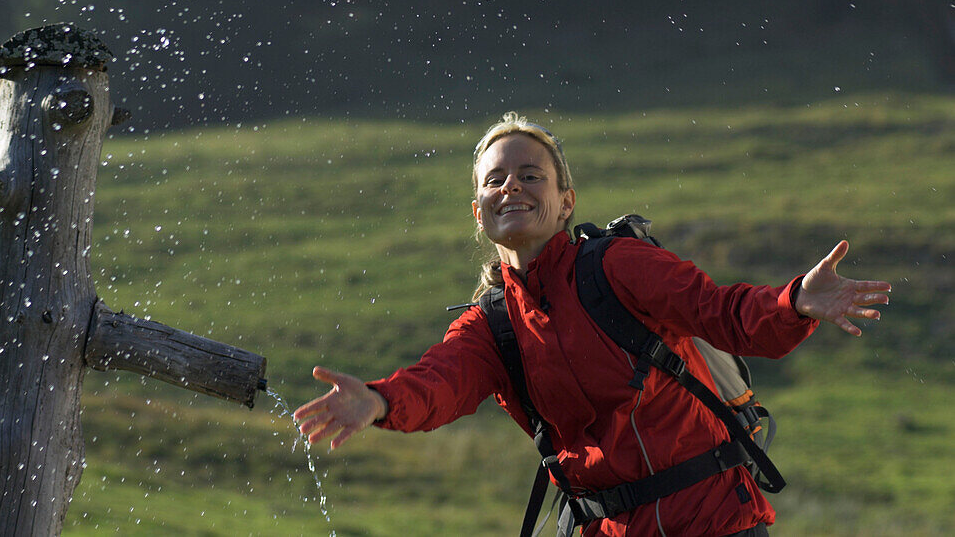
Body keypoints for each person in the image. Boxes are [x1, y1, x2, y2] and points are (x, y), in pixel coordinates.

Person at [293, 113, 891, 536]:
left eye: (531, 175)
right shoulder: (492, 326)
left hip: (714, 521)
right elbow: (438, 382)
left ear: (566, 200)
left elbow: (723, 313)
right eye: (495, 180)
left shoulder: (618, 266)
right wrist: (378, 400)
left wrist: (794, 303)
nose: (513, 188)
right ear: (479, 211)